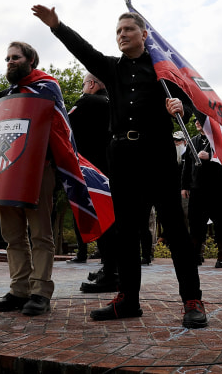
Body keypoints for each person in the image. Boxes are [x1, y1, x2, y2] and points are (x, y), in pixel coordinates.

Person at [32, 4, 208, 328]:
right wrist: (56, 25)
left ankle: (192, 300)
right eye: (118, 31)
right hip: (123, 157)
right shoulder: (111, 69)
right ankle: (128, 299)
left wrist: (180, 105)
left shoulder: (163, 71)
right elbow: (82, 49)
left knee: (176, 230)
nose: (122, 35)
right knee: (126, 232)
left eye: (128, 29)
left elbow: (197, 102)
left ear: (144, 34)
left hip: (158, 156)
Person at [0, 41, 58, 317]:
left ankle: (40, 291)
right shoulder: (5, 96)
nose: (10, 61)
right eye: (7, 58)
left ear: (31, 60)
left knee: (40, 233)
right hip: (8, 170)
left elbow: (59, 128)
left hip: (40, 168)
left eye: (15, 57)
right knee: (12, 235)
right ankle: (19, 290)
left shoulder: (47, 87)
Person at [68, 73, 119, 294]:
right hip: (116, 170)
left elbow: (64, 127)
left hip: (92, 170)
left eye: (83, 85)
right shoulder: (117, 102)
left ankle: (111, 275)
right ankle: (111, 267)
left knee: (102, 222)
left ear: (91, 84)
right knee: (113, 221)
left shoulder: (88, 101)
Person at [182, 118, 222, 268]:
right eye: (196, 120)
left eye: (200, 120)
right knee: (196, 223)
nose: (197, 122)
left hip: (218, 189)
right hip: (197, 189)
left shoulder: (219, 140)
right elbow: (187, 166)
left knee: (221, 224)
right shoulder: (193, 141)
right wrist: (184, 186)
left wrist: (211, 157)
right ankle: (196, 254)